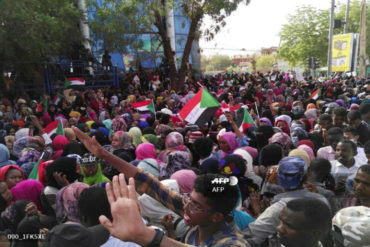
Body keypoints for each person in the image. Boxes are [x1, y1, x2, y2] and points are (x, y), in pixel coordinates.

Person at [72, 127, 250, 247]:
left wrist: (148, 237)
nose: (186, 205)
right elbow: (149, 183)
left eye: (195, 205)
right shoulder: (196, 215)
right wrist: (104, 155)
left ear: (216, 216)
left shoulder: (234, 242)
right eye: (189, 198)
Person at [244, 156, 330, 245]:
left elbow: (248, 237)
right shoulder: (322, 200)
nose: (279, 228)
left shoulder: (278, 208)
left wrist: (258, 214)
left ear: (278, 179)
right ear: (306, 176)